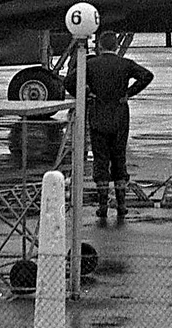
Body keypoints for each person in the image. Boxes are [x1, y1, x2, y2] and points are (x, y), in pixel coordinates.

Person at [63, 31, 153, 220]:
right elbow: (147, 76)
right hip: (120, 116)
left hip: (98, 116)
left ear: (100, 46)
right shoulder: (125, 64)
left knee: (101, 159)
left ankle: (102, 205)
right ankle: (121, 205)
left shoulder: (91, 64)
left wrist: (86, 93)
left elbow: (68, 81)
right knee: (119, 159)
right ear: (116, 46)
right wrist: (129, 92)